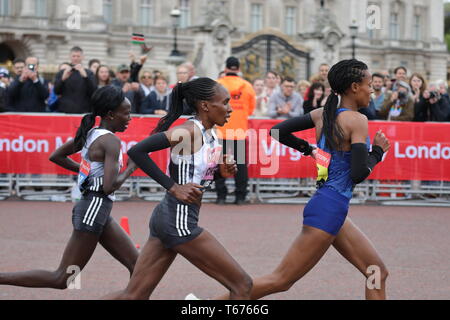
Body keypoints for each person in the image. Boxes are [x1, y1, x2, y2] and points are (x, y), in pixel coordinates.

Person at [201, 58, 390, 301]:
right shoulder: (357, 120)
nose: (372, 90)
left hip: (331, 208)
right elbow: (357, 174)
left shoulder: (323, 114)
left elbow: (277, 131)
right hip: (329, 209)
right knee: (280, 280)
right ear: (354, 87)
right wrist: (378, 153)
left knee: (376, 272)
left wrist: (308, 149)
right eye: (369, 84)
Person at [102, 78, 253, 300]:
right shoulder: (189, 131)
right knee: (242, 285)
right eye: (225, 102)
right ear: (205, 106)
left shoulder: (210, 133)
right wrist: (173, 187)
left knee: (134, 296)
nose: (230, 109)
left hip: (168, 218)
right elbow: (137, 151)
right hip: (179, 222)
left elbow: (195, 173)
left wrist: (223, 170)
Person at [0, 86, 139, 289]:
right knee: (62, 279)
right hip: (93, 208)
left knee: (138, 266)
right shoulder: (111, 140)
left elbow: (56, 156)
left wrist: (86, 171)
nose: (130, 118)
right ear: (110, 114)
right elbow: (109, 187)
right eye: (126, 113)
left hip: (96, 209)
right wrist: (131, 168)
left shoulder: (91, 133)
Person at [215, 57, 256, 205]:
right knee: (240, 164)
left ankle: (221, 195)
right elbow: (251, 109)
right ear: (238, 69)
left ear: (226, 69)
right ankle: (240, 196)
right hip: (239, 130)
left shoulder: (218, 84)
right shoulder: (247, 86)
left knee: (219, 163)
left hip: (220, 129)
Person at [53, 46, 97, 113]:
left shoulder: (89, 73)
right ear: (70, 57)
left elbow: (93, 91)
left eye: (78, 56)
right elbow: (56, 91)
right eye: (74, 56)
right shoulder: (62, 72)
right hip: (65, 111)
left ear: (82, 57)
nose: (76, 58)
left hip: (83, 111)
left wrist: (85, 77)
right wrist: (63, 79)